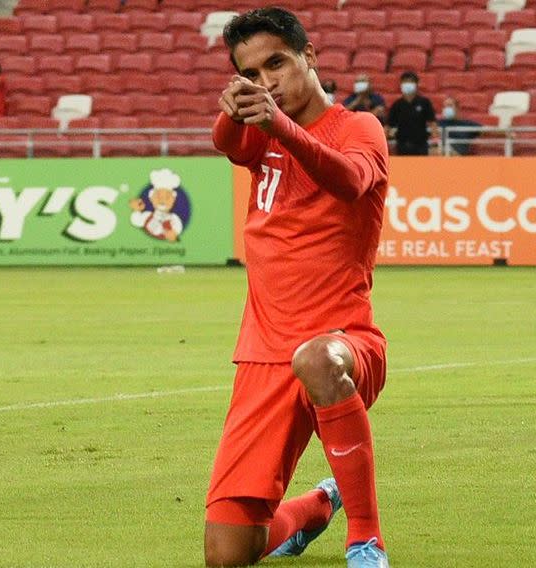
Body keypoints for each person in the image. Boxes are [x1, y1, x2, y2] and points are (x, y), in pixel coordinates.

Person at [207, 7, 390, 568]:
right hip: (262, 358)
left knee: (315, 358)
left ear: (310, 57)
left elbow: (351, 179)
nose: (269, 83)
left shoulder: (360, 128)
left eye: (278, 64)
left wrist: (274, 123)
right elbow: (228, 145)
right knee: (227, 555)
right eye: (253, 75)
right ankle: (316, 506)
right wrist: (233, 112)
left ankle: (365, 538)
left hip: (343, 343)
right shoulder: (258, 138)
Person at [386, 70, 436, 156]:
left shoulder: (424, 102)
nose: (408, 84)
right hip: (402, 146)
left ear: (416, 84)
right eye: (405, 82)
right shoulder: (397, 104)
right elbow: (388, 126)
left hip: (421, 146)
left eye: (411, 81)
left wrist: (435, 143)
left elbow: (432, 123)